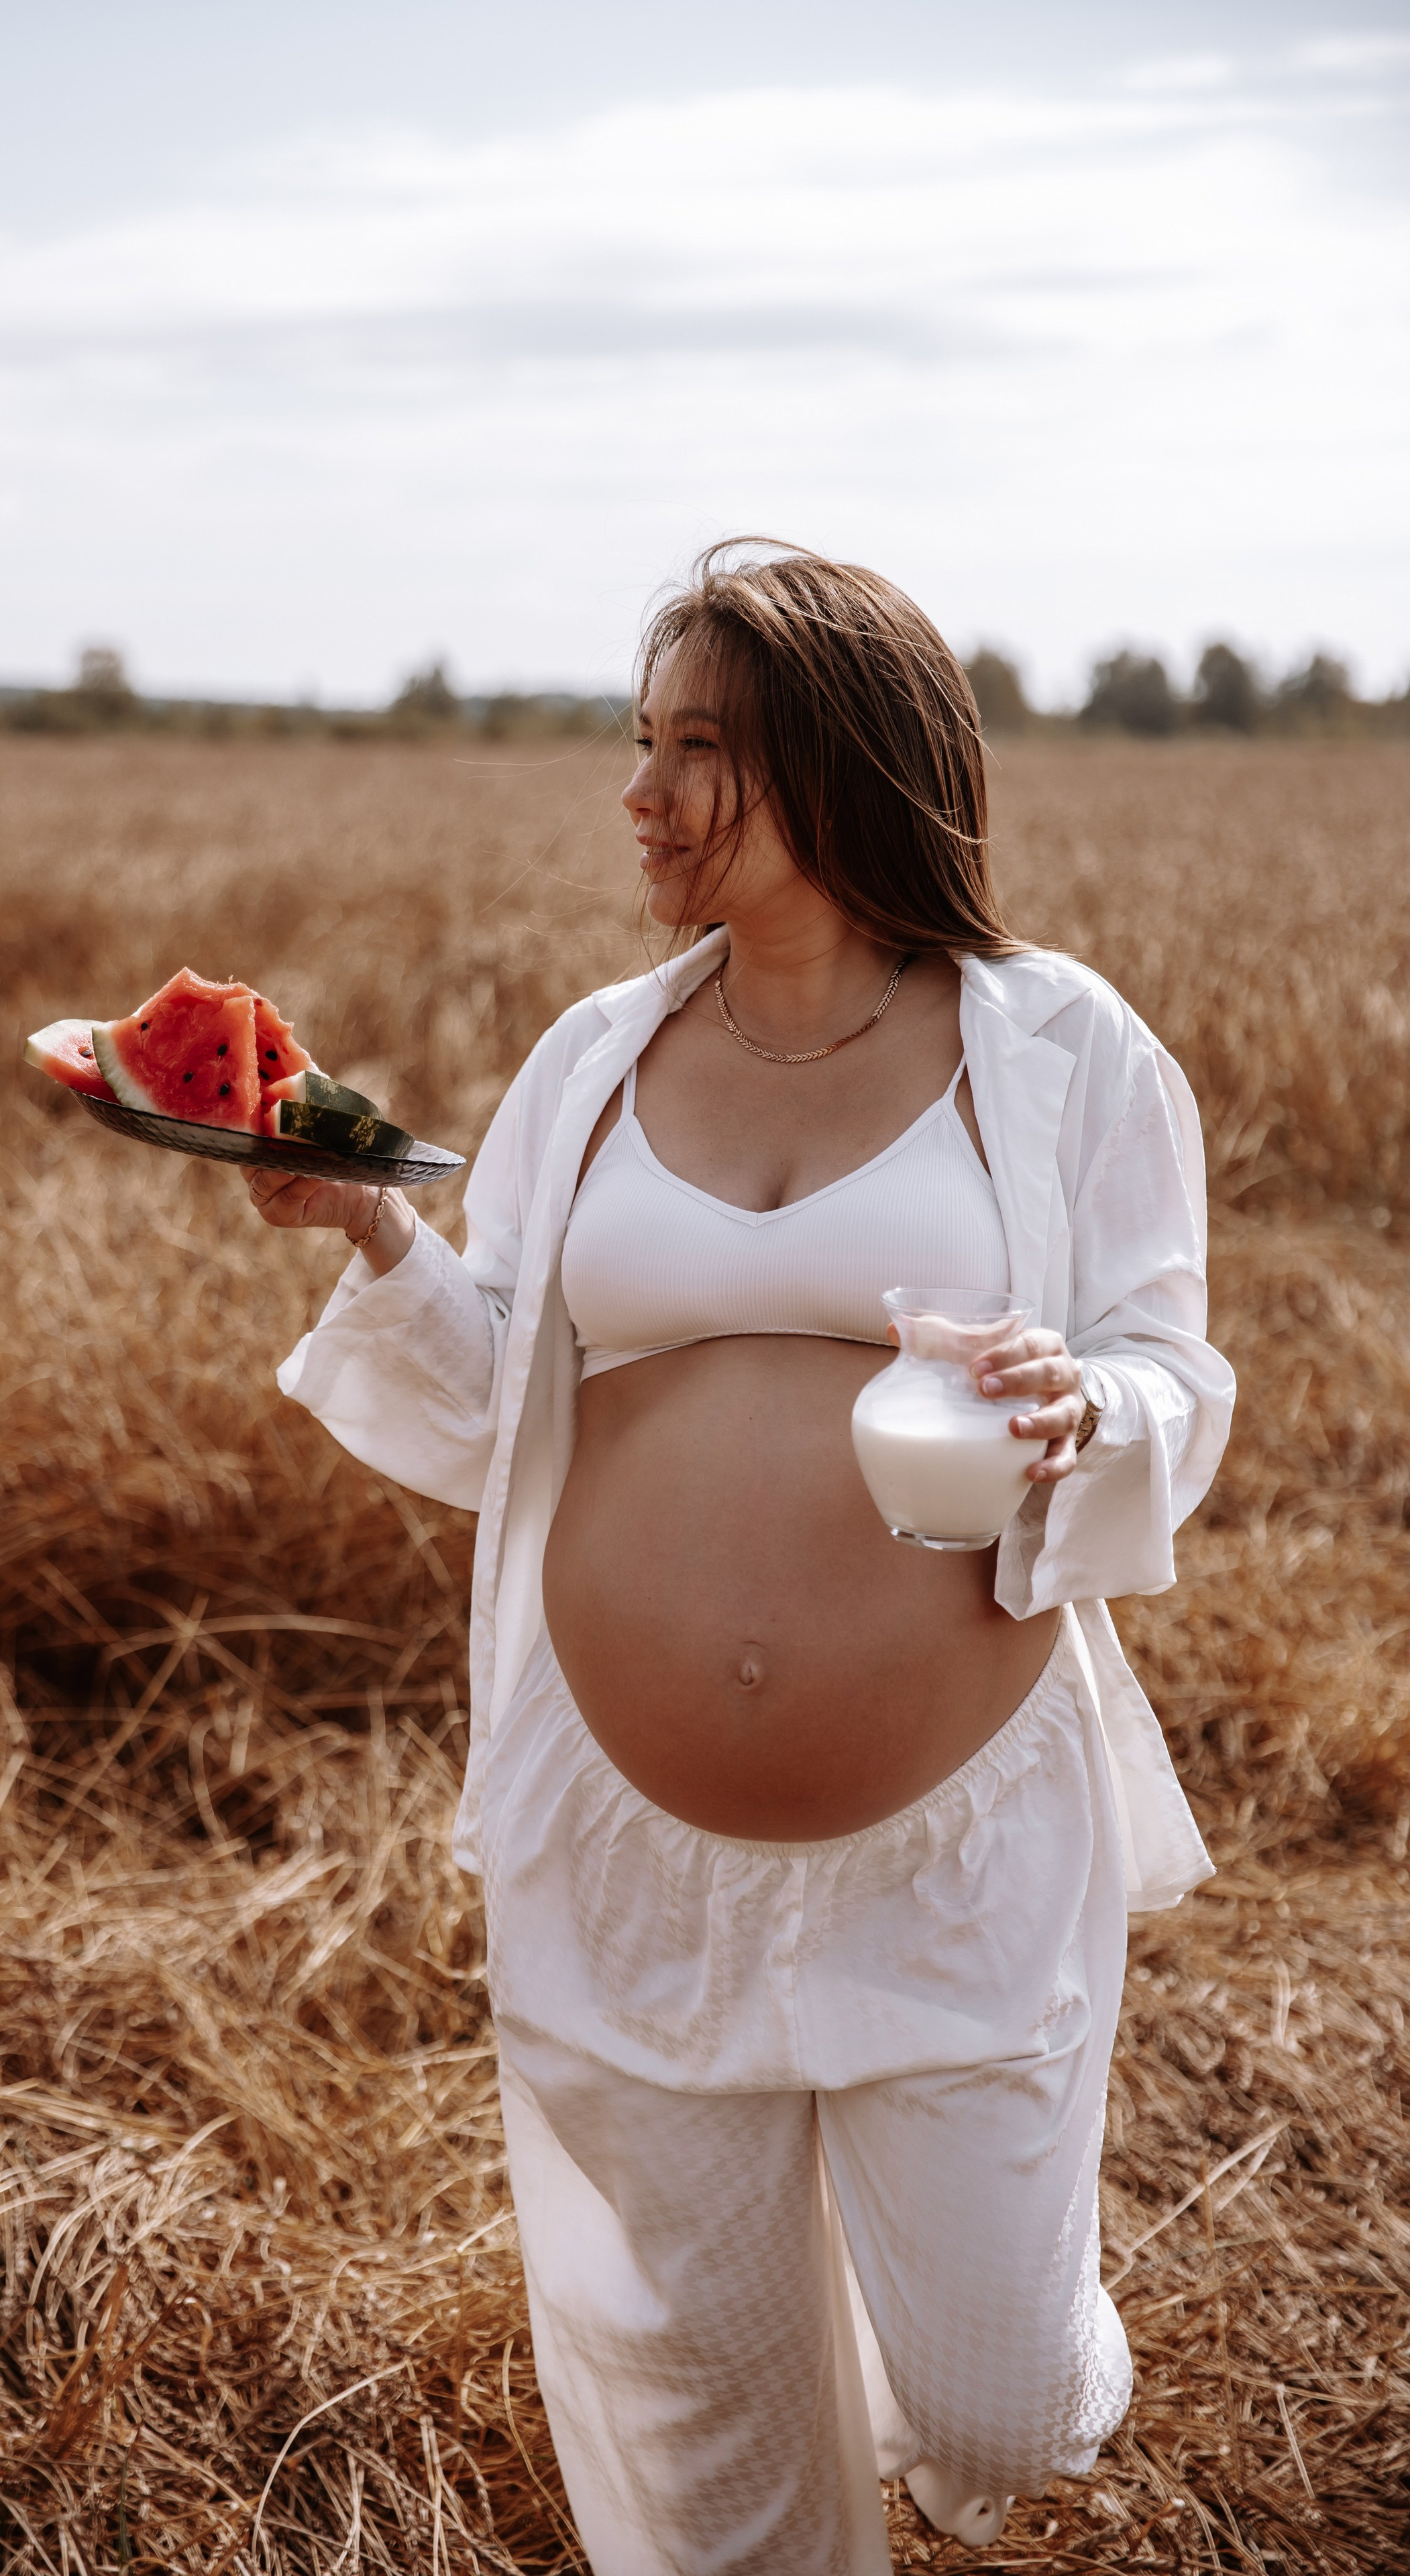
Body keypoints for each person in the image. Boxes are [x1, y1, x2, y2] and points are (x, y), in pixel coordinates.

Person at [250, 545, 1234, 2573]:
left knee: (1002, 2409)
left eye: (702, 750)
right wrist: (367, 1233)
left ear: (846, 762)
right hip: (622, 1862)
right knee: (707, 2453)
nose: (645, 793)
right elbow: (494, 1399)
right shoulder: (594, 1060)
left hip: (948, 1854)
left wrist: (1095, 1412)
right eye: (643, 743)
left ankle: (991, 2366)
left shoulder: (1057, 1054)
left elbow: (1170, 1367)